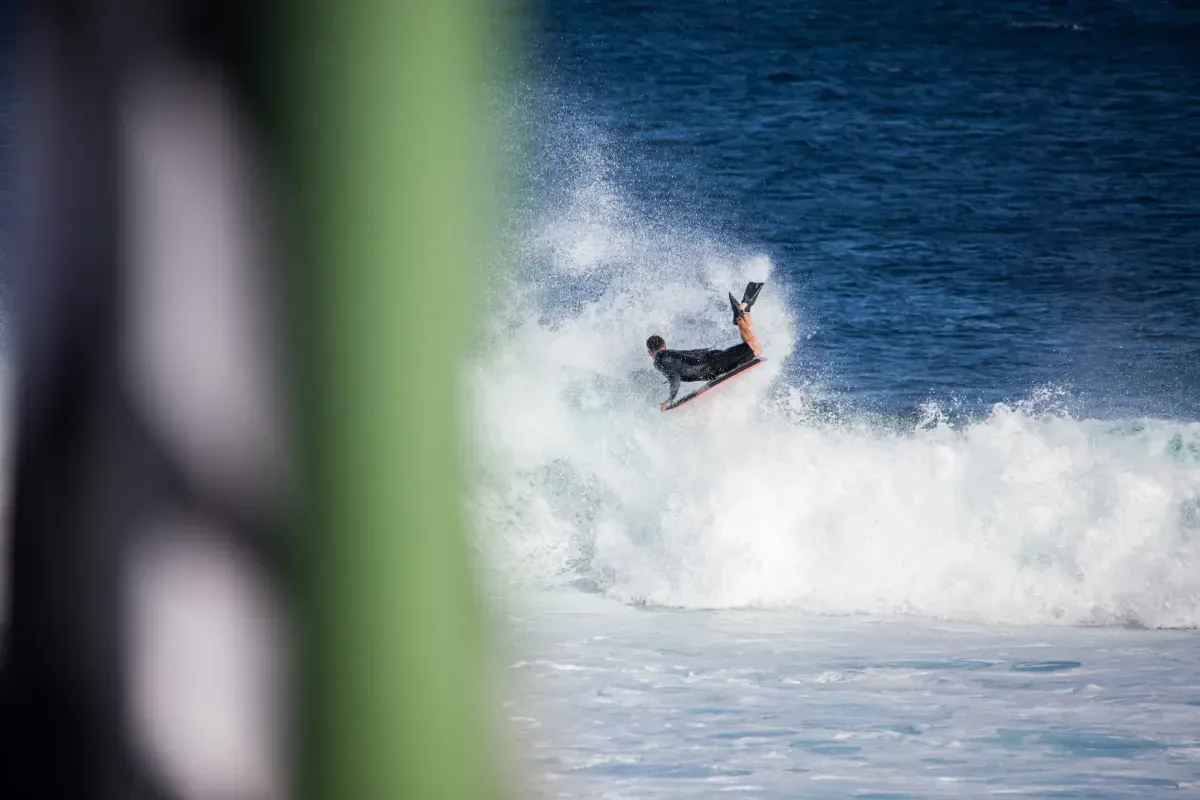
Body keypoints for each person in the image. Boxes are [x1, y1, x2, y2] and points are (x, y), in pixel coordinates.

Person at [647, 282, 764, 411]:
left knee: (755, 348)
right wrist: (709, 351)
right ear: (664, 345)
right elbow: (691, 353)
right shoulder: (670, 354)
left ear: (650, 352)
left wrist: (670, 399)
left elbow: (674, 377)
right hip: (713, 361)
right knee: (753, 349)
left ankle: (740, 316)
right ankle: (743, 313)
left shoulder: (659, 359)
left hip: (714, 366)